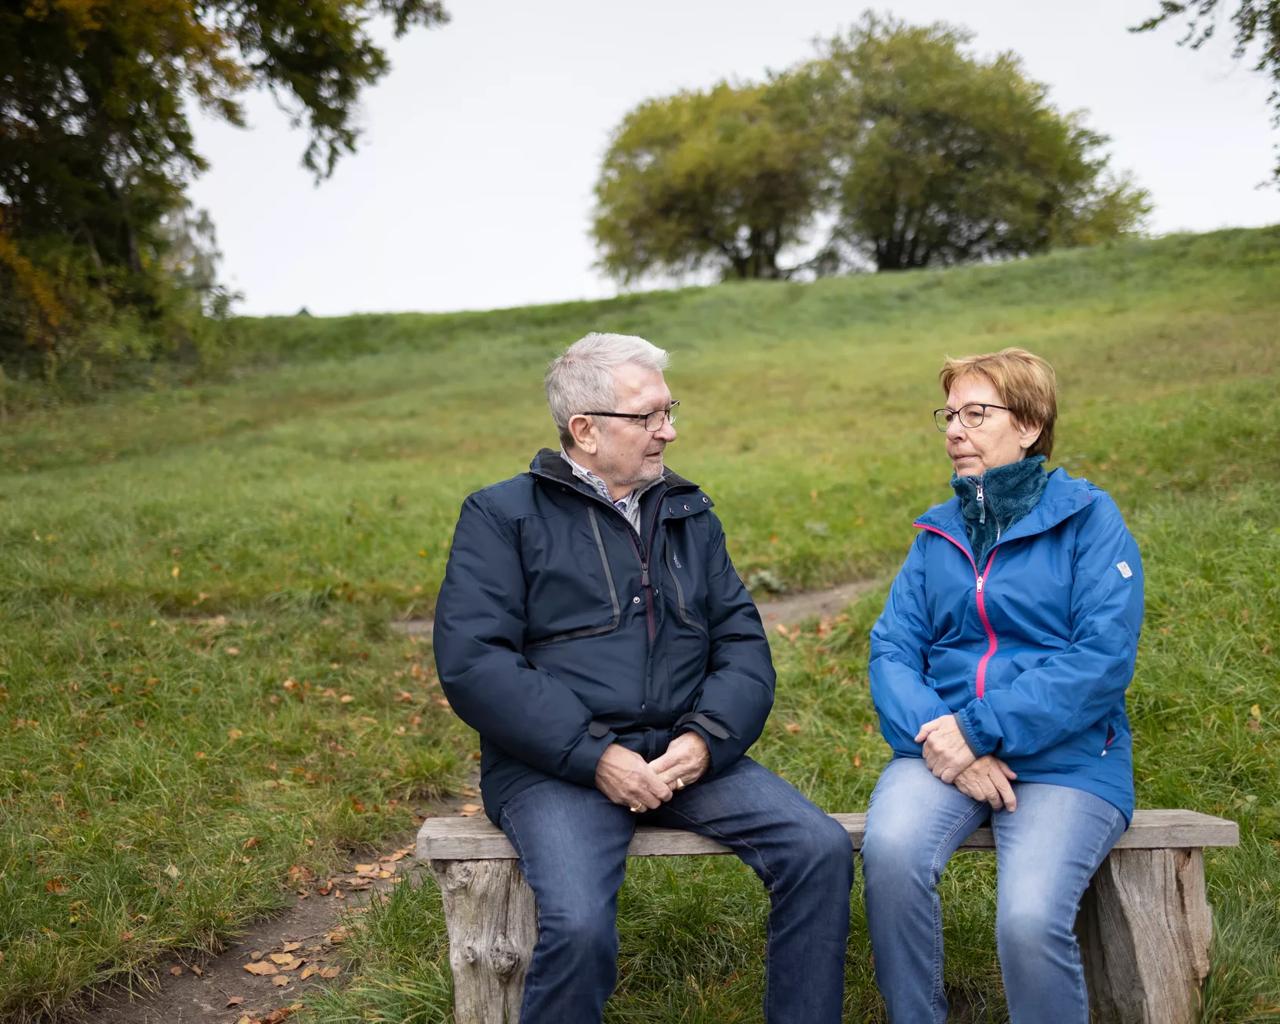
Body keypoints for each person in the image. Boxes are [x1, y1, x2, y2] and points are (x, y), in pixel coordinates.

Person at [433, 332, 852, 1023]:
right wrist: (597, 757)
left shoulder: (688, 513)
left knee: (818, 849)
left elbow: (742, 644)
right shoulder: (502, 515)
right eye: (651, 416)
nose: (670, 430)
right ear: (585, 430)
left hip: (686, 756)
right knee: (580, 926)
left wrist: (705, 741)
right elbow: (475, 662)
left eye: (669, 410)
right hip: (555, 768)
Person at [861, 347, 1144, 1023]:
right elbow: (892, 651)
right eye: (949, 415)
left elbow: (1100, 660)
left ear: (1030, 424)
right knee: (893, 853)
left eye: (976, 413)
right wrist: (948, 740)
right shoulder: (938, 534)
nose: (956, 430)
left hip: (1070, 760)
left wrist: (979, 728)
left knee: (1026, 919)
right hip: (945, 749)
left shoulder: (1089, 521)